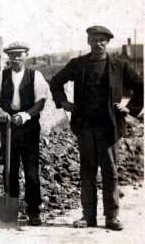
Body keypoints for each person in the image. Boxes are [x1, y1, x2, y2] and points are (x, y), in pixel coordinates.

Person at [50, 25, 143, 231]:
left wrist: (128, 109)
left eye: (102, 40)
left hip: (109, 127)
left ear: (107, 42)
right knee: (87, 171)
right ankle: (88, 216)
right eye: (94, 39)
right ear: (88, 41)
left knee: (110, 171)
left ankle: (112, 217)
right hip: (85, 127)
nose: (98, 43)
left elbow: (141, 87)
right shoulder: (78, 64)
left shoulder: (119, 65)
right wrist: (64, 103)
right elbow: (56, 82)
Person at [0, 41, 49, 226]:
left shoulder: (35, 75)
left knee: (31, 172)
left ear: (26, 55)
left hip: (29, 128)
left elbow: (41, 102)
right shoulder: (1, 76)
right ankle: (10, 213)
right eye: (12, 55)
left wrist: (26, 115)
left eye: (19, 54)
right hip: (8, 128)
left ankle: (33, 211)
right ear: (8, 57)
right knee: (10, 170)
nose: (16, 58)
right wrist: (1, 113)